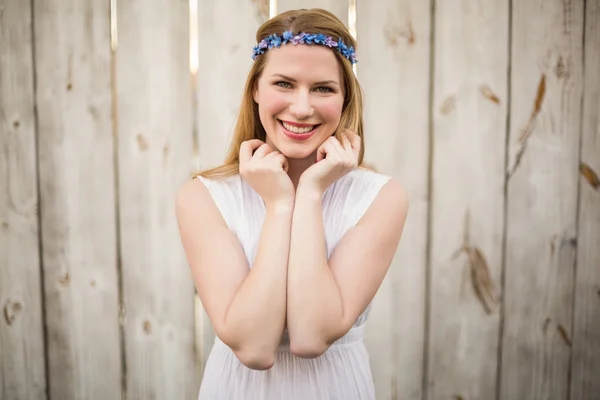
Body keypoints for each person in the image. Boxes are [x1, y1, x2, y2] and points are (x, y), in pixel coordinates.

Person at [176, 8, 408, 400]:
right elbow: (252, 347)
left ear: (344, 97)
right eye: (284, 83)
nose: (302, 108)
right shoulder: (203, 197)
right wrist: (280, 204)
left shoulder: (380, 198)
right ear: (255, 89)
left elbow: (312, 336)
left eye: (322, 88)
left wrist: (312, 194)